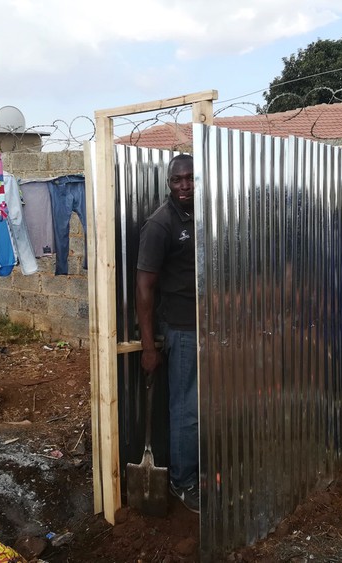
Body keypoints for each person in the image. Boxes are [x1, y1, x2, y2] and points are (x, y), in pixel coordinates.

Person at [136, 154, 199, 513]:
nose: (184, 186)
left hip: (207, 324)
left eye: (190, 179)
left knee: (201, 403)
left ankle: (196, 469)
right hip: (181, 328)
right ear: (168, 183)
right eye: (178, 180)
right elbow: (144, 287)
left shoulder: (203, 213)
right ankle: (182, 481)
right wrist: (149, 346)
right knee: (185, 408)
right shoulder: (160, 224)